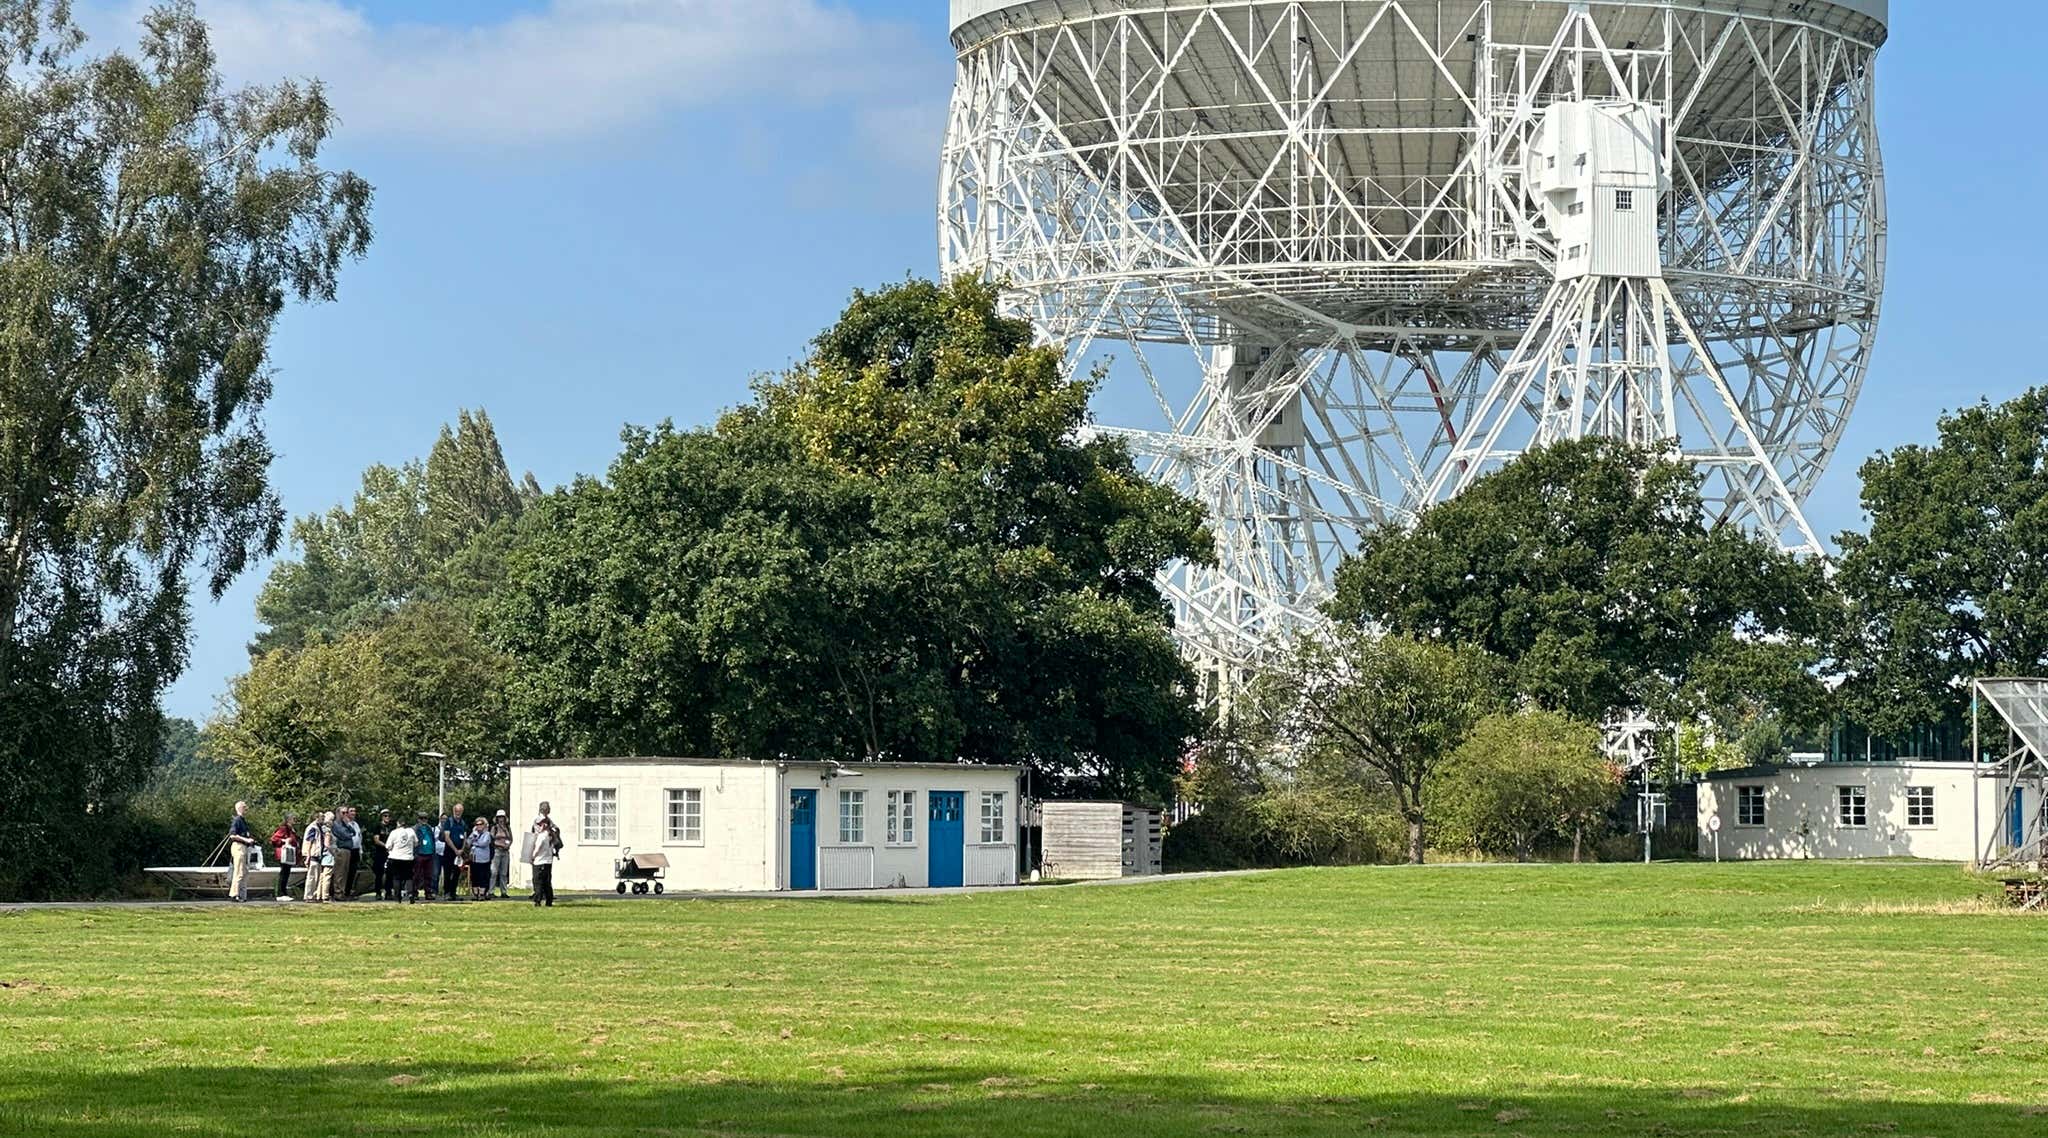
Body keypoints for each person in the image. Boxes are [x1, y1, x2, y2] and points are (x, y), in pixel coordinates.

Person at [226, 801, 259, 902]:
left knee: (244, 872)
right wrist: (246, 840)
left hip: (244, 847)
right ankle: (234, 894)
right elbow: (232, 835)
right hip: (238, 847)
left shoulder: (243, 821)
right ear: (239, 808)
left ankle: (242, 895)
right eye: (244, 807)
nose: (246, 809)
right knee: (239, 871)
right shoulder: (237, 820)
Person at [529, 806, 561, 908]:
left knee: (538, 882)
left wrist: (532, 857)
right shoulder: (551, 836)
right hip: (548, 861)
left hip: (539, 861)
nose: (538, 826)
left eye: (540, 824)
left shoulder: (542, 836)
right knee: (547, 882)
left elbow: (537, 849)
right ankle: (549, 901)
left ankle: (537, 901)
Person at [301, 811, 334, 903]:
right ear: (316, 818)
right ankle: (308, 896)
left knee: (317, 877)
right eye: (321, 817)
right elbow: (309, 842)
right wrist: (308, 855)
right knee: (312, 876)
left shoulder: (320, 828)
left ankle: (314, 895)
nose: (323, 819)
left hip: (318, 855)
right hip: (313, 855)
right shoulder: (313, 828)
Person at [385, 813, 418, 902]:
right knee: (409, 877)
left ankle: (397, 896)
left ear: (398, 823)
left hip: (395, 857)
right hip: (408, 858)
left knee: (397, 877)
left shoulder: (394, 832)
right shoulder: (411, 831)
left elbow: (388, 846)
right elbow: (416, 843)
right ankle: (411, 894)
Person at [439, 803, 468, 900]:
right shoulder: (449, 821)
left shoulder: (463, 823)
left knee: (457, 872)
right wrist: (455, 850)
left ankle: (453, 892)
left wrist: (462, 849)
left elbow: (465, 837)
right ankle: (447, 892)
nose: (458, 813)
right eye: (456, 811)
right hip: (449, 851)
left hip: (459, 852)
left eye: (460, 811)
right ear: (453, 811)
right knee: (447, 872)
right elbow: (447, 837)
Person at [332, 805, 362, 900]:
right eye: (343, 813)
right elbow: (344, 835)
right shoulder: (336, 824)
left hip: (349, 850)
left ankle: (343, 892)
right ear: (338, 813)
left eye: (346, 812)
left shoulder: (346, 824)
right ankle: (337, 893)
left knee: (345, 873)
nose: (345, 814)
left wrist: (347, 825)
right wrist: (348, 833)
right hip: (341, 850)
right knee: (339, 873)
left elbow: (354, 832)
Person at [269, 813, 300, 902]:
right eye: (293, 818)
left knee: (286, 872)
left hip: (290, 855)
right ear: (288, 819)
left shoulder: (291, 829)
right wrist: (284, 840)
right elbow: (274, 839)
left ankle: (284, 892)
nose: (294, 820)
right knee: (284, 873)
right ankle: (280, 893)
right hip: (284, 854)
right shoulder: (283, 828)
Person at [411, 811, 437, 902]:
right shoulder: (414, 829)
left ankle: (428, 892)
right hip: (419, 853)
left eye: (425, 818)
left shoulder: (429, 828)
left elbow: (432, 839)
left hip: (429, 853)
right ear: (418, 819)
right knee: (417, 874)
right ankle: (414, 893)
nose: (424, 820)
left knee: (428, 875)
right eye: (422, 818)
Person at [369, 809, 393, 900]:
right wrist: (386, 846)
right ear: (382, 817)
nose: (387, 817)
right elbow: (376, 840)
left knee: (390, 873)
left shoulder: (392, 827)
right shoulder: (378, 826)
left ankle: (388, 892)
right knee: (379, 873)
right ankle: (378, 892)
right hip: (380, 852)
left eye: (389, 816)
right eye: (385, 816)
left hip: (390, 853)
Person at [466, 817, 493, 899]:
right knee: (475, 876)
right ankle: (475, 893)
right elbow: (468, 842)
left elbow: (483, 843)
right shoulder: (473, 833)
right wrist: (473, 839)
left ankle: (482, 894)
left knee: (483, 876)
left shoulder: (487, 834)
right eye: (477, 824)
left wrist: (474, 842)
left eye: (481, 824)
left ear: (484, 825)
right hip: (474, 858)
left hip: (484, 859)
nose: (479, 826)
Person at [489, 810, 513, 899]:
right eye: (499, 817)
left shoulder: (508, 828)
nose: (501, 819)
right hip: (497, 851)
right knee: (494, 872)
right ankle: (491, 891)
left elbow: (511, 838)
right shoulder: (494, 828)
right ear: (497, 818)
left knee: (504, 873)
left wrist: (508, 845)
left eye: (502, 817)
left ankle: (504, 891)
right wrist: (500, 844)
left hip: (505, 851)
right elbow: (491, 839)